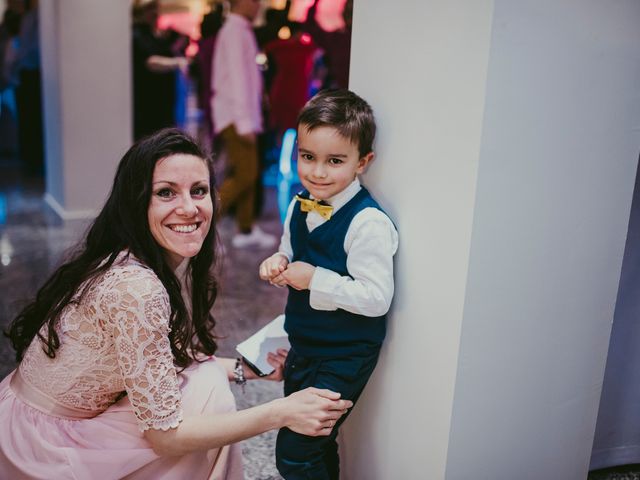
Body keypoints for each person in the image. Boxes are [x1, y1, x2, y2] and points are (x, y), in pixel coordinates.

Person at [0, 129, 353, 479]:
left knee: (203, 376)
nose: (189, 208)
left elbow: (150, 360)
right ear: (137, 202)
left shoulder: (125, 255)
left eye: (198, 191)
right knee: (210, 400)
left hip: (25, 418)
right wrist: (282, 411)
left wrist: (246, 369)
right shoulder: (137, 288)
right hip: (41, 450)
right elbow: (166, 438)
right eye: (166, 192)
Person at [258, 90, 398, 479]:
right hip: (304, 345)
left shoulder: (368, 223)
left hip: (344, 355)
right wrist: (279, 261)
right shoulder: (299, 203)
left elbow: (375, 298)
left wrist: (316, 279)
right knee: (318, 443)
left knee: (297, 450)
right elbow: (290, 248)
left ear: (362, 162)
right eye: (308, 157)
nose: (318, 172)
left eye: (334, 161)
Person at [211, 0, 276, 249]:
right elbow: (238, 80)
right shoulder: (234, 32)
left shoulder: (239, 30)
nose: (259, 5)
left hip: (243, 115)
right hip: (236, 116)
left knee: (249, 172)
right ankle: (201, 223)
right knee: (245, 174)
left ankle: (246, 229)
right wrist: (244, 122)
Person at [132, 0, 189, 140]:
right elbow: (150, 62)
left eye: (156, 8)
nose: (155, 12)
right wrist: (177, 62)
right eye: (150, 8)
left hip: (162, 108)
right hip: (148, 108)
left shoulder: (156, 35)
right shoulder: (138, 34)